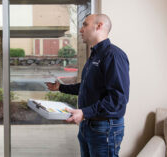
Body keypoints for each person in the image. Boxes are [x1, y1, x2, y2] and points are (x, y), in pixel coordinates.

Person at [46, 14, 129, 157]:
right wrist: (60, 87)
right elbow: (87, 87)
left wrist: (84, 112)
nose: (80, 30)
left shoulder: (113, 55)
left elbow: (117, 99)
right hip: (88, 126)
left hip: (104, 128)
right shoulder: (95, 55)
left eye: (85, 25)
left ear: (99, 26)